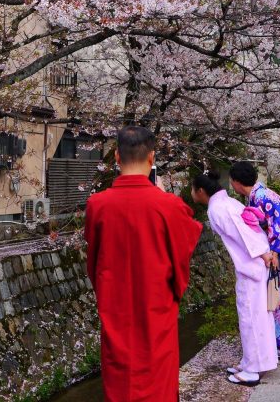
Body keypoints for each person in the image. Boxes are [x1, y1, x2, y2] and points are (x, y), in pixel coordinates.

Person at [85, 126, 203, 402]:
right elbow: (185, 246)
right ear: (152, 158)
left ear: (116, 157)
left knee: (119, 384)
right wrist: (165, 196)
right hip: (155, 311)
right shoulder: (168, 206)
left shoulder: (97, 204)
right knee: (158, 385)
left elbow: (95, 262)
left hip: (116, 310)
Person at [192, 171, 277, 386]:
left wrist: (262, 253)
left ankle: (252, 370)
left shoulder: (219, 208)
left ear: (201, 191)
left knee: (251, 316)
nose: (192, 194)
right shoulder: (227, 203)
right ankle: (253, 362)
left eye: (192, 190)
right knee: (257, 315)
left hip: (254, 264)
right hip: (256, 262)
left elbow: (243, 233)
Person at [229, 161, 280, 361]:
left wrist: (273, 253)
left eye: (231, 180)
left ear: (237, 182)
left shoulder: (261, 197)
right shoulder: (259, 195)